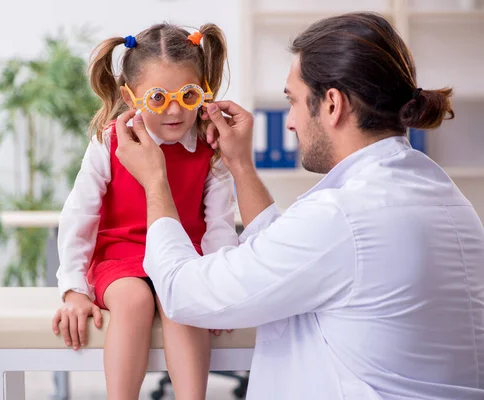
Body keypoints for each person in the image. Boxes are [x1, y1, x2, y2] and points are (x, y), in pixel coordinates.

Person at [114, 12, 484, 400]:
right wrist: (240, 165)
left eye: (293, 101)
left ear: (332, 104)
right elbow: (286, 255)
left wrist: (155, 182)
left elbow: (181, 293)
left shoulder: (343, 217)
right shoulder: (443, 196)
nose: (289, 123)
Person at [51, 23, 239, 399]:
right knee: (134, 301)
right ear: (130, 96)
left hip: (183, 259)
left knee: (182, 302)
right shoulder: (110, 141)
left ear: (203, 91)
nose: (174, 110)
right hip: (122, 257)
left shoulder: (210, 148)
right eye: (157, 98)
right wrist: (74, 289)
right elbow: (79, 216)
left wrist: (218, 287)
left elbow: (219, 226)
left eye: (187, 95)